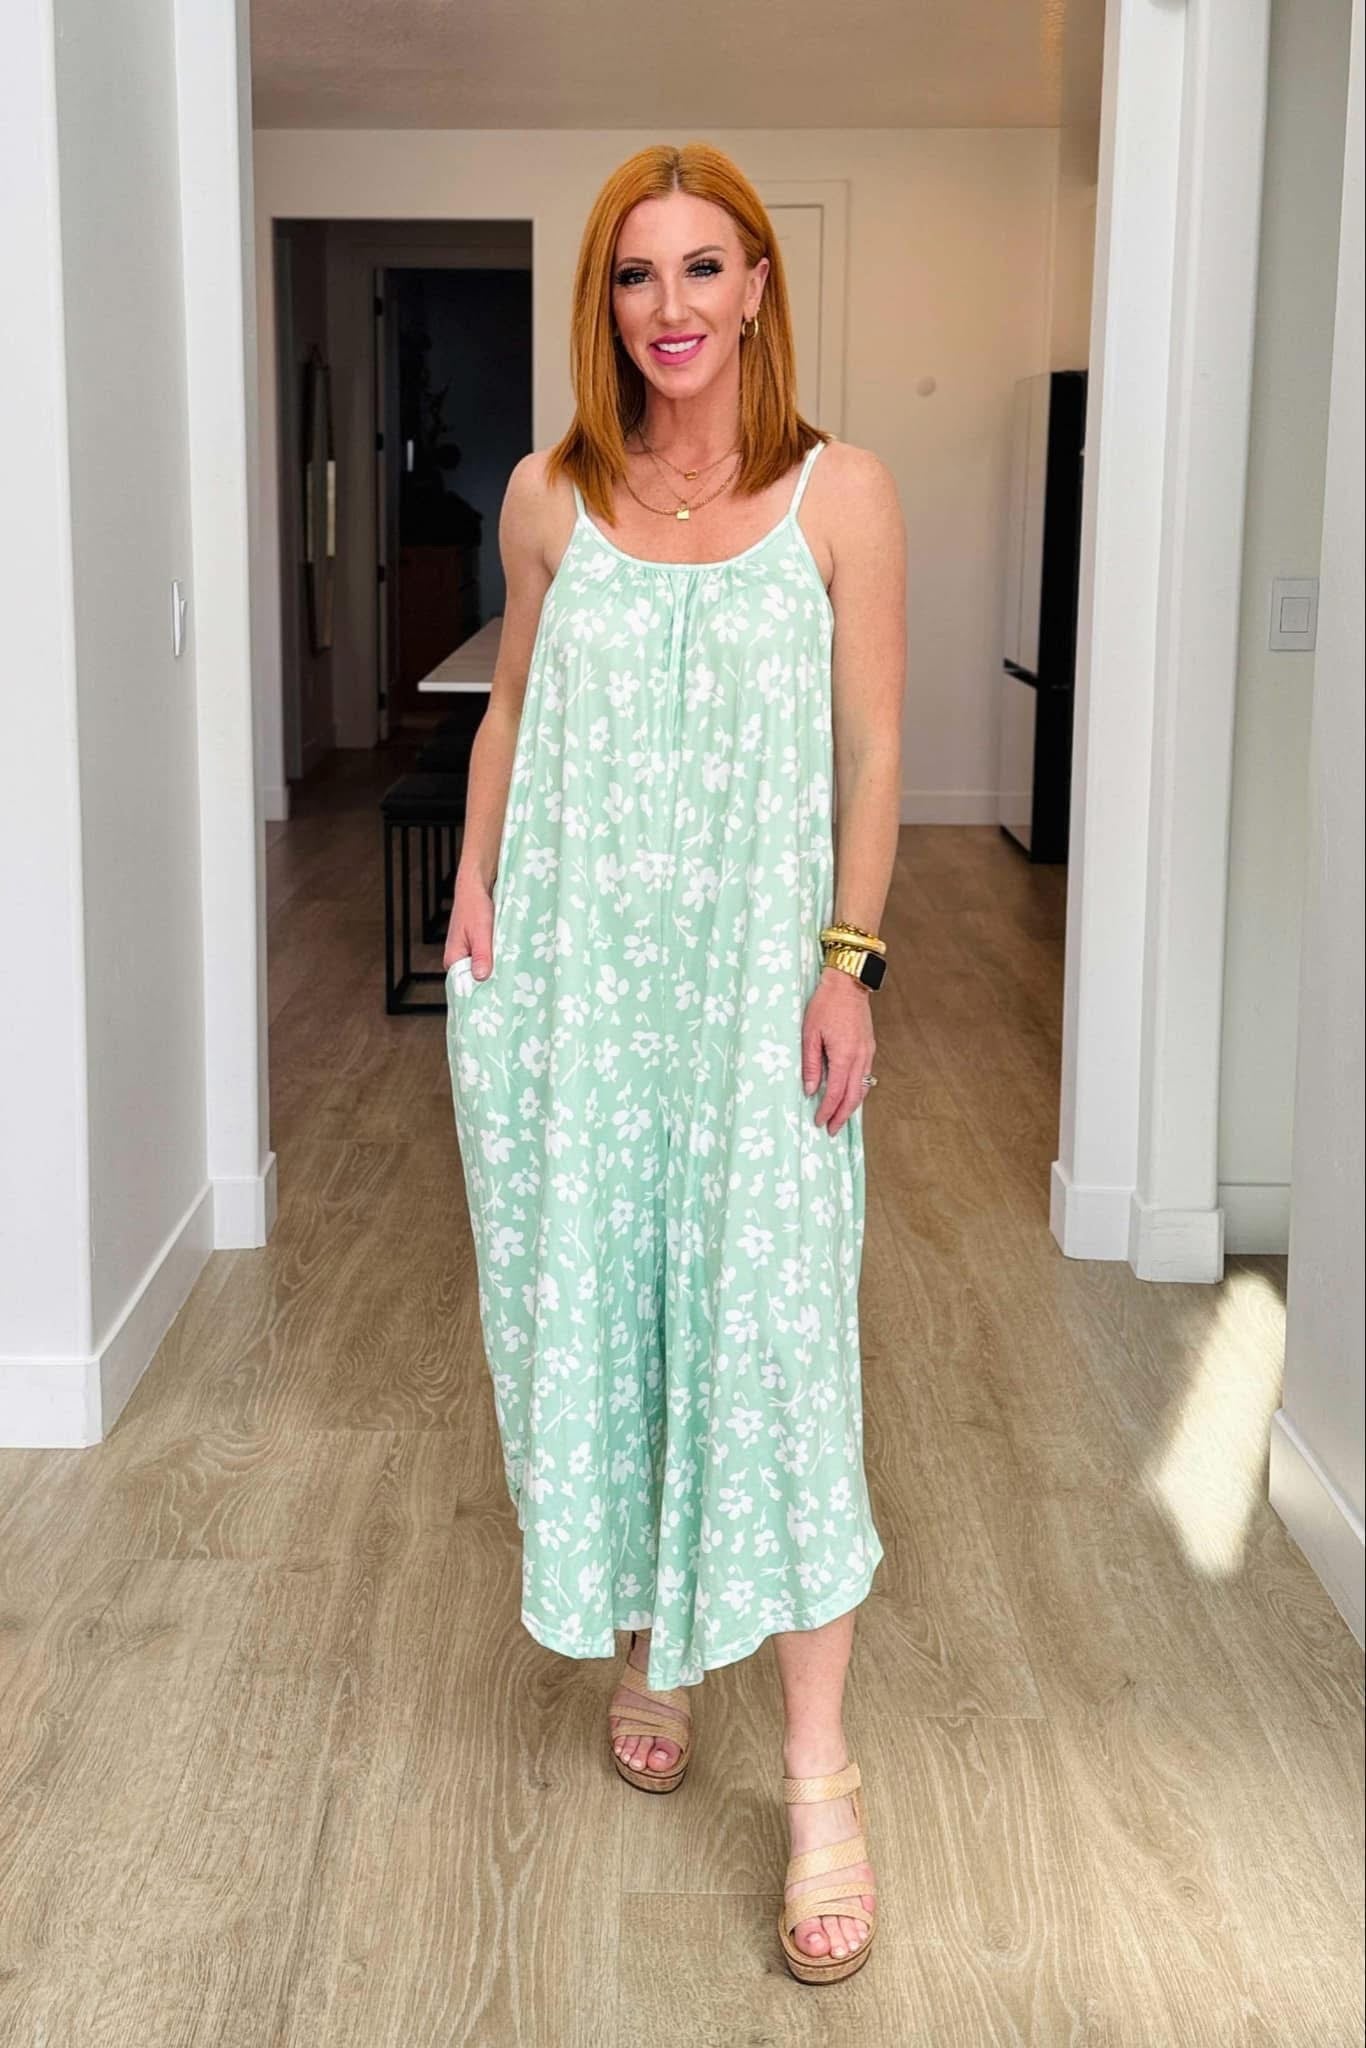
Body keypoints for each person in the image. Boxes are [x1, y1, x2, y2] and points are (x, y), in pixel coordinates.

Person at [443, 140, 905, 1984]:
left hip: (752, 999)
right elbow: (512, 710)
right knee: (612, 1314)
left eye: (705, 267)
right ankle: (651, 1642)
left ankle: (817, 1779)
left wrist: (848, 963)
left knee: (776, 1346)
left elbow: (874, 752)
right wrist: (474, 878)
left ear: (759, 287)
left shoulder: (839, 494)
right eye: (637, 275)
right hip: (584, 989)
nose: (672, 307)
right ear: (606, 304)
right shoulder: (548, 495)